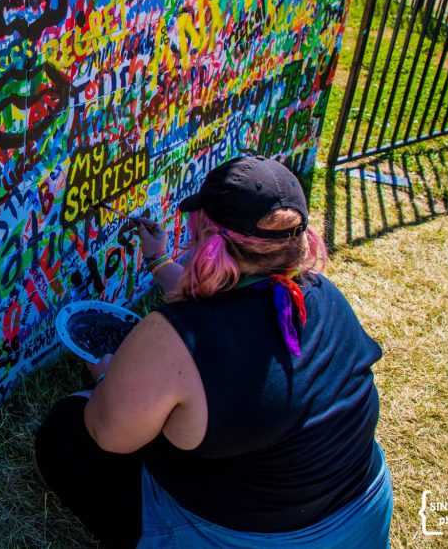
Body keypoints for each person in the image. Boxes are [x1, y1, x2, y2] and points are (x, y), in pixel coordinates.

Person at [34, 156, 393, 548]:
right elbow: (232, 303)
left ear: (208, 235)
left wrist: (107, 375)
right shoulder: (322, 297)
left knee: (66, 431)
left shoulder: (180, 336)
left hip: (257, 539)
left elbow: (109, 435)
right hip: (360, 519)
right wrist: (158, 261)